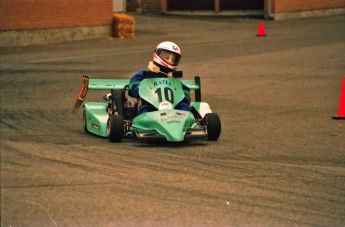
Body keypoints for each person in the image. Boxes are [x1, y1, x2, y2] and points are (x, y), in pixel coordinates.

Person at [128, 41, 191, 114]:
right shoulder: (145, 75)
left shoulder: (172, 79)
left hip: (173, 106)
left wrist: (184, 97)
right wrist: (139, 88)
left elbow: (185, 90)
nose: (170, 61)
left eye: (173, 60)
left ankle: (185, 123)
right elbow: (133, 85)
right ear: (157, 54)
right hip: (150, 104)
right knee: (145, 110)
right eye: (167, 57)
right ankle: (148, 124)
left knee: (184, 107)